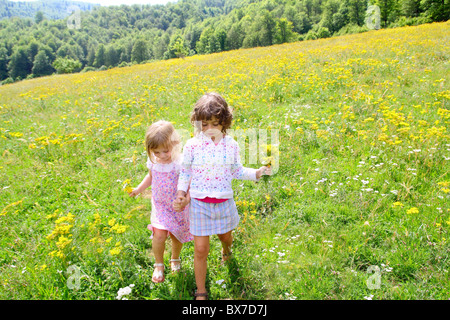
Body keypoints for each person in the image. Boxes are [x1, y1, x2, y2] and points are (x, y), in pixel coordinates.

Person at [173, 92, 270, 300]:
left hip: (224, 202)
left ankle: (226, 251)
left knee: (226, 237)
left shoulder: (231, 145)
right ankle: (201, 290)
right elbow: (186, 172)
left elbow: (236, 171)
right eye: (204, 125)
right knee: (201, 249)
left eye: (215, 124)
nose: (209, 130)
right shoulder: (192, 146)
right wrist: (181, 193)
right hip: (199, 203)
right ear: (198, 124)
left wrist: (256, 173)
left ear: (224, 122)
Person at [129, 120, 192, 283]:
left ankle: (175, 258)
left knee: (176, 236)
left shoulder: (180, 162)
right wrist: (138, 189)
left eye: (166, 151)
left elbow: (190, 183)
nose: (162, 156)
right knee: (159, 235)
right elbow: (150, 176)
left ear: (175, 144)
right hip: (160, 206)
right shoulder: (154, 161)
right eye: (157, 152)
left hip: (178, 207)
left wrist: (186, 200)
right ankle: (158, 264)